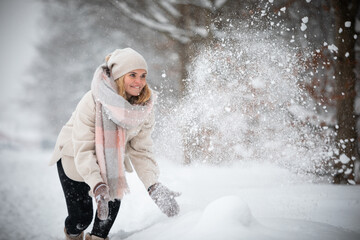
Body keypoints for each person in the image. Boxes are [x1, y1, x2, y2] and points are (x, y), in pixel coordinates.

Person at [49, 48, 181, 240]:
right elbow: (83, 148)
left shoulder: (144, 108)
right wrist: (97, 186)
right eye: (133, 75)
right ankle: (73, 234)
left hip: (111, 162)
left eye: (143, 75)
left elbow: (140, 150)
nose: (139, 81)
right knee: (81, 219)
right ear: (119, 76)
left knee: (105, 221)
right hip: (75, 157)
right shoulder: (93, 100)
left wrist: (153, 185)